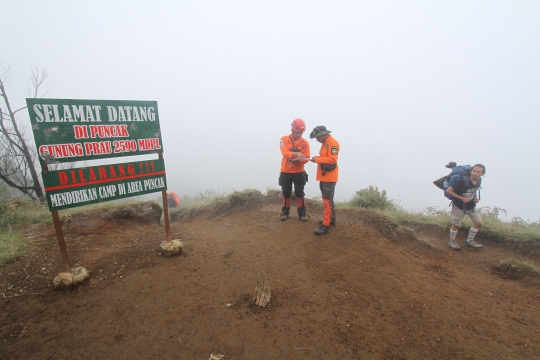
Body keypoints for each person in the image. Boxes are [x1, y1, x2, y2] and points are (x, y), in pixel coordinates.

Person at [445, 164, 486, 251]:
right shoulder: (462, 180)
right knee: (455, 224)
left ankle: (469, 241)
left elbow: (473, 190)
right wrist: (462, 198)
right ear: (471, 171)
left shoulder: (479, 180)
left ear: (482, 174)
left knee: (478, 223)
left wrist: (475, 198)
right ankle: (452, 241)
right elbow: (449, 191)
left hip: (471, 205)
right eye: (474, 171)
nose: (475, 173)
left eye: (478, 172)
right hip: (459, 205)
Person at [309, 125, 340, 235]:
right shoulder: (325, 143)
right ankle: (331, 219)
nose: (317, 140)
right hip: (324, 176)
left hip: (329, 177)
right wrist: (317, 158)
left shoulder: (333, 143)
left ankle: (326, 225)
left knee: (327, 201)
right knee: (327, 199)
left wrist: (316, 159)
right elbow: (325, 157)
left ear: (323, 135)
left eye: (317, 138)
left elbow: (332, 159)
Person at [279, 118, 310, 221]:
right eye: (297, 132)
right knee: (286, 192)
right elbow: (284, 152)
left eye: (301, 133)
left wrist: (300, 160)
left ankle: (302, 213)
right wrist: (295, 154)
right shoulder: (283, 139)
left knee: (299, 192)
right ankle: (285, 212)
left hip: (299, 171)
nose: (299, 135)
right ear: (292, 130)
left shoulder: (305, 143)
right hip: (285, 171)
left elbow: (307, 158)